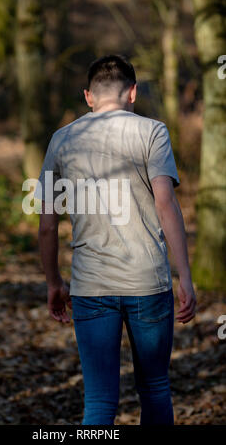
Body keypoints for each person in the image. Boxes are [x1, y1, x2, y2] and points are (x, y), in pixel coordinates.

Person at [34, 54, 197, 425]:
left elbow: (47, 225)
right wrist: (184, 276)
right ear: (134, 92)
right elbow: (166, 205)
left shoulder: (61, 140)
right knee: (155, 387)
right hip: (148, 283)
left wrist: (53, 282)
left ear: (88, 96)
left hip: (91, 287)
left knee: (99, 399)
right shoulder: (153, 132)